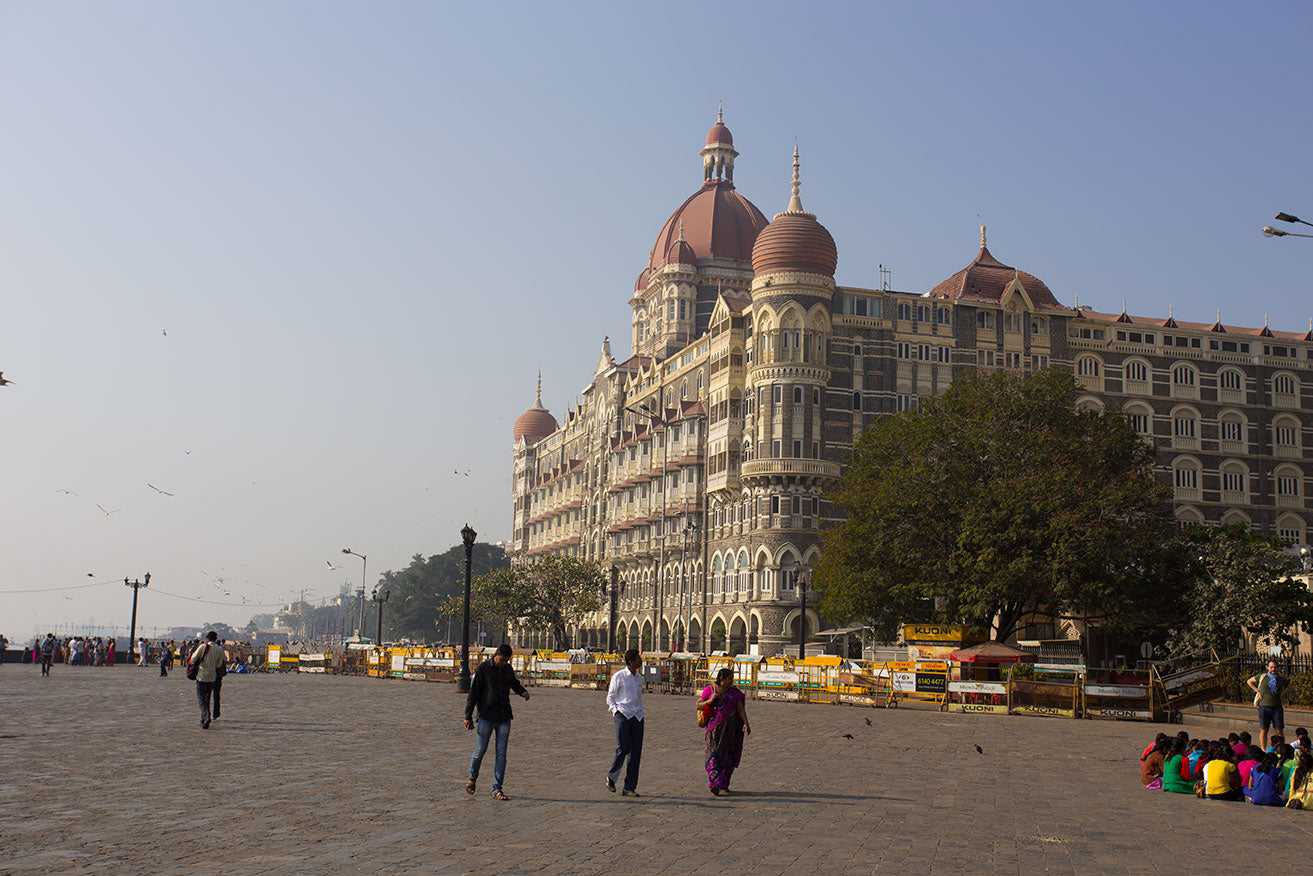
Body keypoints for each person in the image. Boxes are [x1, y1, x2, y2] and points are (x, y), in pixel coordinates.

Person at [463, 643, 529, 801]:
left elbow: (514, 684)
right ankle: (472, 778)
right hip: (486, 715)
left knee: (501, 754)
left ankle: (497, 788)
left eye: (507, 660)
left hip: (504, 716)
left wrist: (522, 692)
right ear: (496, 655)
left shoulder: (507, 670)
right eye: (502, 659)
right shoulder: (483, 669)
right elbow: (474, 694)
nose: (504, 662)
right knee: (480, 750)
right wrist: (468, 715)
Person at [697, 667, 751, 796]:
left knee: (728, 756)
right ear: (721, 679)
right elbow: (698, 705)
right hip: (714, 729)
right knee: (713, 754)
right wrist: (709, 701)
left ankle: (724, 785)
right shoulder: (710, 690)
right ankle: (715, 782)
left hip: (731, 728)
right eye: (729, 678)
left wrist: (746, 723)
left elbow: (741, 710)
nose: (731, 681)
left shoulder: (734, 693)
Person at [605, 648, 645, 797]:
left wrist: (640, 711)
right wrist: (616, 711)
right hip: (623, 714)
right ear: (631, 661)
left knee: (635, 752)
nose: (640, 661)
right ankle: (611, 777)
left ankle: (629, 786)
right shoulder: (619, 676)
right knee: (623, 747)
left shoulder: (638, 677)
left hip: (637, 716)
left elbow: (638, 698)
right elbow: (610, 697)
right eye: (638, 658)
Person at [1247, 659, 1290, 752]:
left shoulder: (1281, 679)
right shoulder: (1262, 677)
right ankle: (1263, 749)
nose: (1273, 669)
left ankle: (1281, 749)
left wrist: (1283, 693)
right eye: (1271, 667)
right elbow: (1249, 681)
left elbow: (1290, 687)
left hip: (1277, 707)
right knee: (1264, 729)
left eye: (1274, 667)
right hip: (1264, 706)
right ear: (1267, 668)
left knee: (1279, 730)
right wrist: (1257, 691)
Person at [188, 631, 226, 729]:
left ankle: (206, 715)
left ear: (207, 639)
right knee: (207, 698)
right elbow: (219, 664)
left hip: (201, 676)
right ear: (216, 639)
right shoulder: (219, 650)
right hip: (212, 677)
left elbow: (193, 658)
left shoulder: (203, 647)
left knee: (201, 699)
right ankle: (203, 718)